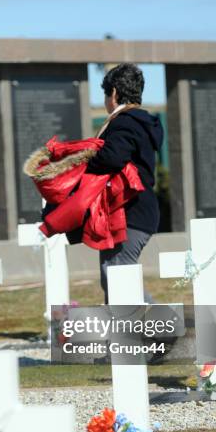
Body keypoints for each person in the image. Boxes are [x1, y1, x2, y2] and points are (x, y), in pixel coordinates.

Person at [86, 63, 164, 303]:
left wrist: (85, 159)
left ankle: (165, 330)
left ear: (114, 94)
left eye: (105, 96)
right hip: (139, 211)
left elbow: (112, 157)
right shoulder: (142, 123)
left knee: (118, 276)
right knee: (114, 275)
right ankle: (158, 330)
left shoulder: (124, 122)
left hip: (130, 212)